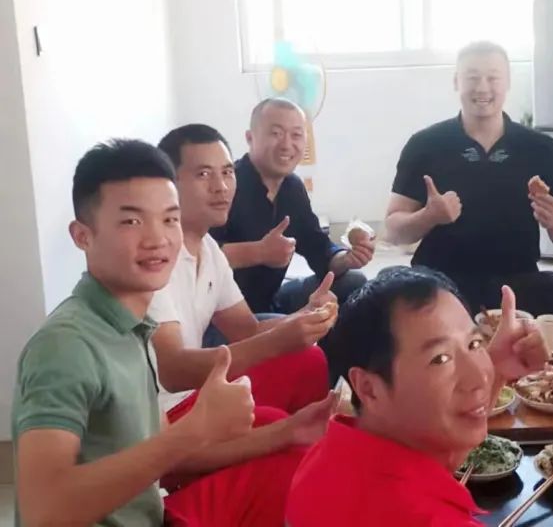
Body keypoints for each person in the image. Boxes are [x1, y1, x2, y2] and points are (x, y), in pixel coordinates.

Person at [12, 140, 322, 527]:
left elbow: (168, 454)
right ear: (82, 236)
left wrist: (289, 431)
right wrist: (193, 430)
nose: (157, 239)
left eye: (170, 219)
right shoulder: (66, 346)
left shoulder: (132, 327)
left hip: (153, 512)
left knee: (298, 461)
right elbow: (42, 510)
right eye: (132, 221)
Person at [287, 267, 553, 526]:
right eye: (440, 358)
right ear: (368, 387)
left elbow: (430, 457)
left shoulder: (327, 455)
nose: (479, 375)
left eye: (474, 344)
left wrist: (498, 368)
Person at [383, 40, 553, 322]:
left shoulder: (540, 147)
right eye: (472, 77)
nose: (482, 88)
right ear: (456, 82)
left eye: (493, 78)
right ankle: (462, 320)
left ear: (508, 82)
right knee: (386, 289)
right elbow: (393, 231)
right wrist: (429, 216)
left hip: (517, 285)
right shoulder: (425, 144)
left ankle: (476, 321)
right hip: (443, 284)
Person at [152, 124, 337, 424]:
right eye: (203, 174)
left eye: (227, 172)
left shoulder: (209, 249)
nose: (221, 187)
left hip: (199, 391)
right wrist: (277, 341)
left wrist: (307, 314)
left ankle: (315, 440)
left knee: (309, 358)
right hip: (165, 414)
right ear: (167, 184)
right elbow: (172, 372)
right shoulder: (153, 257)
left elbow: (247, 331)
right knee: (272, 421)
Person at [211, 98, 372, 314]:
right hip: (227, 314)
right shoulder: (225, 186)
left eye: (296, 135)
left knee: (354, 282)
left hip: (271, 299)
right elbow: (198, 256)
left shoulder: (292, 187)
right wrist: (259, 252)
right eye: (276, 133)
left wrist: (347, 259)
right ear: (250, 138)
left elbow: (317, 246)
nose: (286, 145)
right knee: (294, 323)